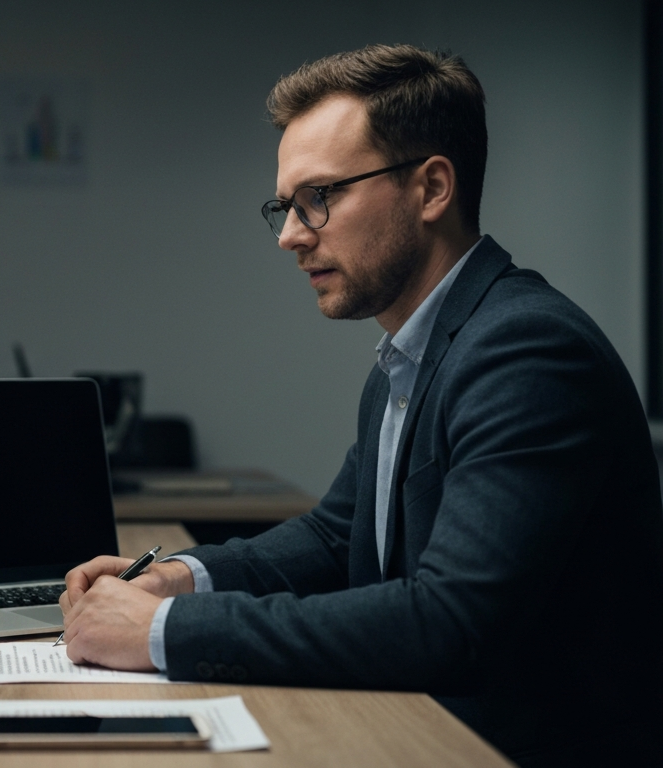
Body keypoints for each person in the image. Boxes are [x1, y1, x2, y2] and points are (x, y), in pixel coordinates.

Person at [58, 44, 663, 766]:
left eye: (319, 197)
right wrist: (178, 577)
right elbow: (334, 538)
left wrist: (163, 630)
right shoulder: (414, 350)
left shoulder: (526, 351)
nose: (289, 235)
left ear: (432, 188)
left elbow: (449, 622)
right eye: (284, 207)